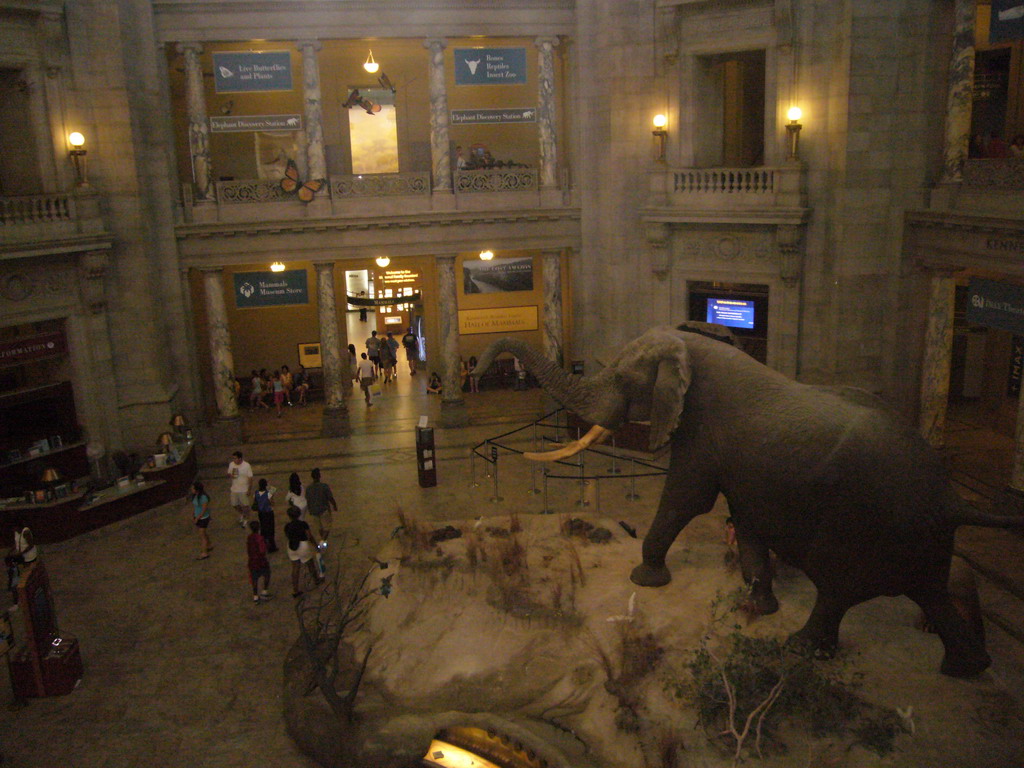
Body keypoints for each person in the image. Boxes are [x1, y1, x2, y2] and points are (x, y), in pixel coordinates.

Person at [285, 506, 323, 598]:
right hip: (303, 546)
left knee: (295, 568)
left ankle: (295, 589)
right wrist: (316, 546)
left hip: (291, 546)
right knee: (310, 564)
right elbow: (309, 536)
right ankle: (316, 580)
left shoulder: (287, 526)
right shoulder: (303, 524)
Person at [305, 468, 338, 541]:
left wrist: (310, 509)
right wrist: (334, 505)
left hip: (313, 510)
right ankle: (323, 541)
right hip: (324, 509)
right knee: (327, 527)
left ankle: (323, 540)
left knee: (319, 527)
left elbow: (308, 500)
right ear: (319, 476)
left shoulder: (308, 488)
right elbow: (330, 497)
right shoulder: (324, 486)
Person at [246, 521, 271, 603]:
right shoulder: (260, 538)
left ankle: (255, 596)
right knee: (267, 574)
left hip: (252, 561)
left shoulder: (249, 538)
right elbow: (262, 550)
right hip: (261, 561)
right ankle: (264, 591)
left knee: (254, 579)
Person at [228, 451, 253, 528]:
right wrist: (231, 475)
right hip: (234, 488)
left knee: (245, 505)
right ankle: (242, 513)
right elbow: (229, 473)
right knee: (234, 504)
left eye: (235, 458)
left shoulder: (246, 465)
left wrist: (249, 489)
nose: (234, 460)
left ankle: (246, 518)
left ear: (240, 458)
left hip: (243, 489)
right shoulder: (231, 464)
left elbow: (250, 478)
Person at [188, 481, 212, 560]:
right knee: (203, 533)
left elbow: (204, 510)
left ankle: (204, 553)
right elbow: (195, 507)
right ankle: (209, 545)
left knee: (202, 535)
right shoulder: (195, 496)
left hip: (203, 518)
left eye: (193, 488)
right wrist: (193, 515)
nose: (192, 489)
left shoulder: (203, 498)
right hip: (198, 517)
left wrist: (197, 518)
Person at [253, 478, 277, 552]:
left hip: (261, 513)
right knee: (270, 529)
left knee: (263, 528)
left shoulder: (256, 493)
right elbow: (272, 503)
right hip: (268, 513)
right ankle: (272, 546)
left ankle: (264, 543)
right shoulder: (268, 494)